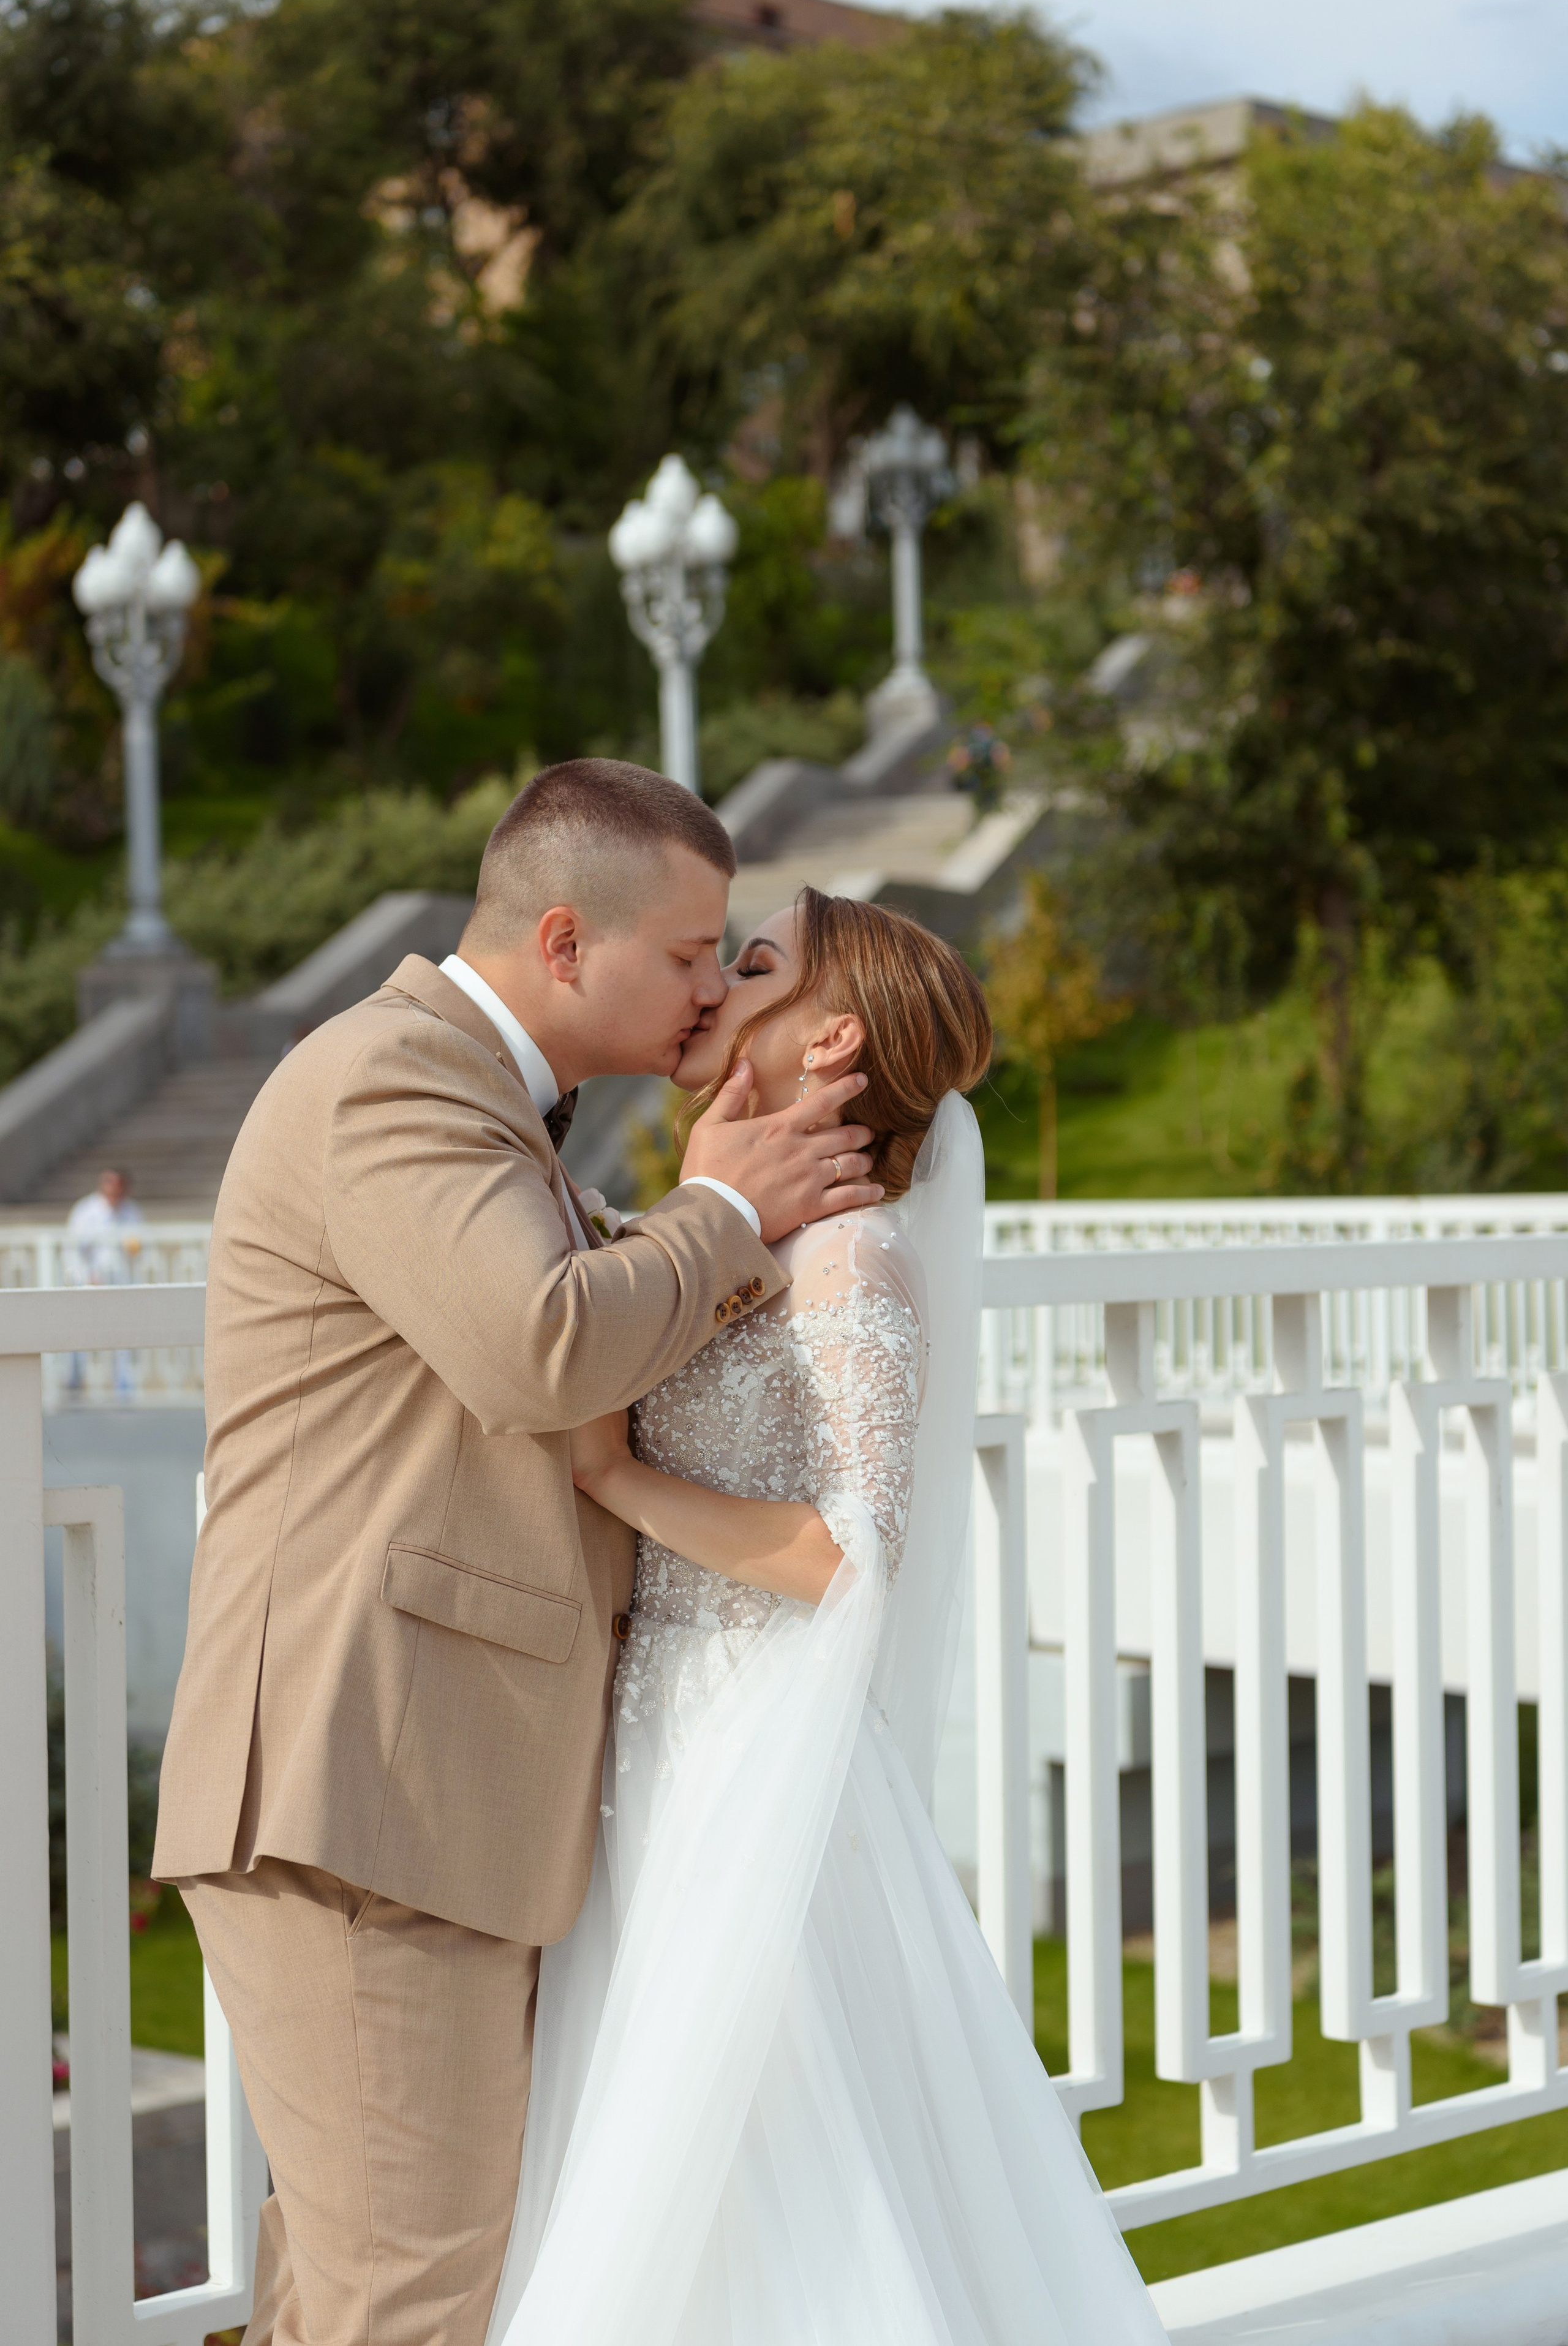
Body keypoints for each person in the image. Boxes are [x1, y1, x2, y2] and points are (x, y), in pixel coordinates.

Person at [153, 763, 886, 2346]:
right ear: (567, 940)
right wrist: (722, 1213)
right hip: (361, 1788)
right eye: (692, 953)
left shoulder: (492, 1113)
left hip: (431, 1792)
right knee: (418, 2303)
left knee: (367, 2292)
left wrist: (732, 1222)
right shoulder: (391, 1081)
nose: (709, 985)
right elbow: (543, 1345)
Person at [489, 888, 1168, 2346]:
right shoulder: (734, 1229)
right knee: (689, 2156)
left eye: (747, 961)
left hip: (757, 1744)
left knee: (783, 2150)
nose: (710, 980)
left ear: (833, 1031)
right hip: (658, 1742)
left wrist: (614, 1477)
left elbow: (851, 1556)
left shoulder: (852, 1259)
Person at [64, 1165, 144, 1397]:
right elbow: (73, 1250)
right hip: (90, 1284)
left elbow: (140, 1248)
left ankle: (123, 1385)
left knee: (123, 1334)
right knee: (80, 1333)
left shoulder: (132, 1212)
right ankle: (74, 1381)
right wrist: (85, 1277)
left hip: (121, 1285)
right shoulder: (85, 1211)